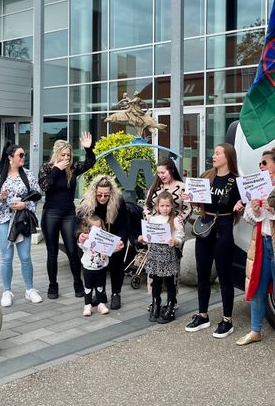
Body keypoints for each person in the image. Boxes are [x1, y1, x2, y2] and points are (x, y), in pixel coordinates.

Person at [236, 147, 275, 357]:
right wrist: (256, 209)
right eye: (260, 163)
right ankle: (255, 330)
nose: (261, 166)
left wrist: (274, 210)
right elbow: (249, 218)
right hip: (261, 242)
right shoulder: (260, 187)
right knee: (258, 288)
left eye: (264, 163)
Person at [183, 143, 244, 338]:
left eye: (218, 153)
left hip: (224, 226)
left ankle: (227, 319)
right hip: (204, 224)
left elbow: (243, 204)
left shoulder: (235, 181)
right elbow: (198, 201)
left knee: (225, 276)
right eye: (214, 152)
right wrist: (191, 199)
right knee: (202, 274)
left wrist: (240, 206)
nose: (214, 156)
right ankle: (203, 315)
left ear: (228, 157)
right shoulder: (206, 176)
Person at [38, 133, 95, 300]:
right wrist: (57, 169)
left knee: (72, 250)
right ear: (56, 154)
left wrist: (88, 148)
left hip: (69, 213)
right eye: (63, 155)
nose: (66, 158)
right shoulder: (47, 168)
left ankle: (78, 282)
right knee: (52, 252)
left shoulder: (73, 169)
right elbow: (44, 186)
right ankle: (52, 285)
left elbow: (90, 162)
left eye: (68, 155)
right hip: (51, 213)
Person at [0, 144, 43, 307]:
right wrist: (2, 198)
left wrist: (25, 206)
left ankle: (30, 289)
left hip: (22, 220)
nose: (23, 157)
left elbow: (37, 196)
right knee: (6, 257)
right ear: (10, 157)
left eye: (24, 154)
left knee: (25, 257)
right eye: (20, 155)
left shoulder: (28, 175)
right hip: (3, 220)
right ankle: (7, 291)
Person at [76, 175, 128, 309]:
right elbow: (77, 224)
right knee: (98, 265)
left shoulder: (119, 202)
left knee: (117, 263)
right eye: (100, 195)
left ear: (111, 193)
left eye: (106, 195)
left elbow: (123, 225)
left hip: (113, 236)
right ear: (94, 193)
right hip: (95, 239)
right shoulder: (87, 203)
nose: (103, 198)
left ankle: (116, 293)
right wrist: (80, 235)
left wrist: (120, 241)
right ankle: (101, 293)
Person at [138, 191, 185, 323]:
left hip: (169, 255)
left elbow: (180, 236)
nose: (165, 208)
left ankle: (170, 305)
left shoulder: (175, 220)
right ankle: (156, 304)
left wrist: (175, 241)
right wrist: (142, 239)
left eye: (167, 206)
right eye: (162, 205)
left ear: (172, 207)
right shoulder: (153, 219)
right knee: (156, 282)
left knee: (170, 282)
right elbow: (149, 236)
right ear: (157, 206)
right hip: (155, 254)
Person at [78, 215, 110, 317]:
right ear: (88, 229)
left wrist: (117, 247)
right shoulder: (87, 240)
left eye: (100, 226)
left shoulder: (104, 238)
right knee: (88, 288)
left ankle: (100, 303)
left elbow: (110, 249)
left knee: (100, 287)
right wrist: (83, 238)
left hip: (100, 268)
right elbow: (81, 244)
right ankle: (87, 305)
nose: (99, 229)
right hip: (88, 268)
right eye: (96, 227)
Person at [143, 157, 192, 222]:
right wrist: (149, 218)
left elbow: (188, 208)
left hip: (174, 228)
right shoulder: (154, 187)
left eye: (163, 172)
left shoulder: (182, 187)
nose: (160, 175)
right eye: (158, 173)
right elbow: (146, 206)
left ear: (172, 170)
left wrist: (181, 219)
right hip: (155, 228)